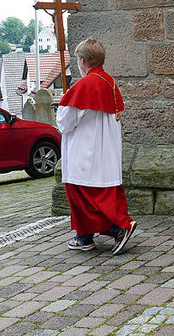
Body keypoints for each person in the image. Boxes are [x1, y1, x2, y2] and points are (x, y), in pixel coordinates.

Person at [57, 39, 137, 254]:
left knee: (81, 193)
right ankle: (83, 237)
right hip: (104, 150)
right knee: (100, 193)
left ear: (83, 61)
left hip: (85, 151)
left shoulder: (85, 84)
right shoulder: (109, 82)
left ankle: (118, 228)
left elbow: (65, 121)